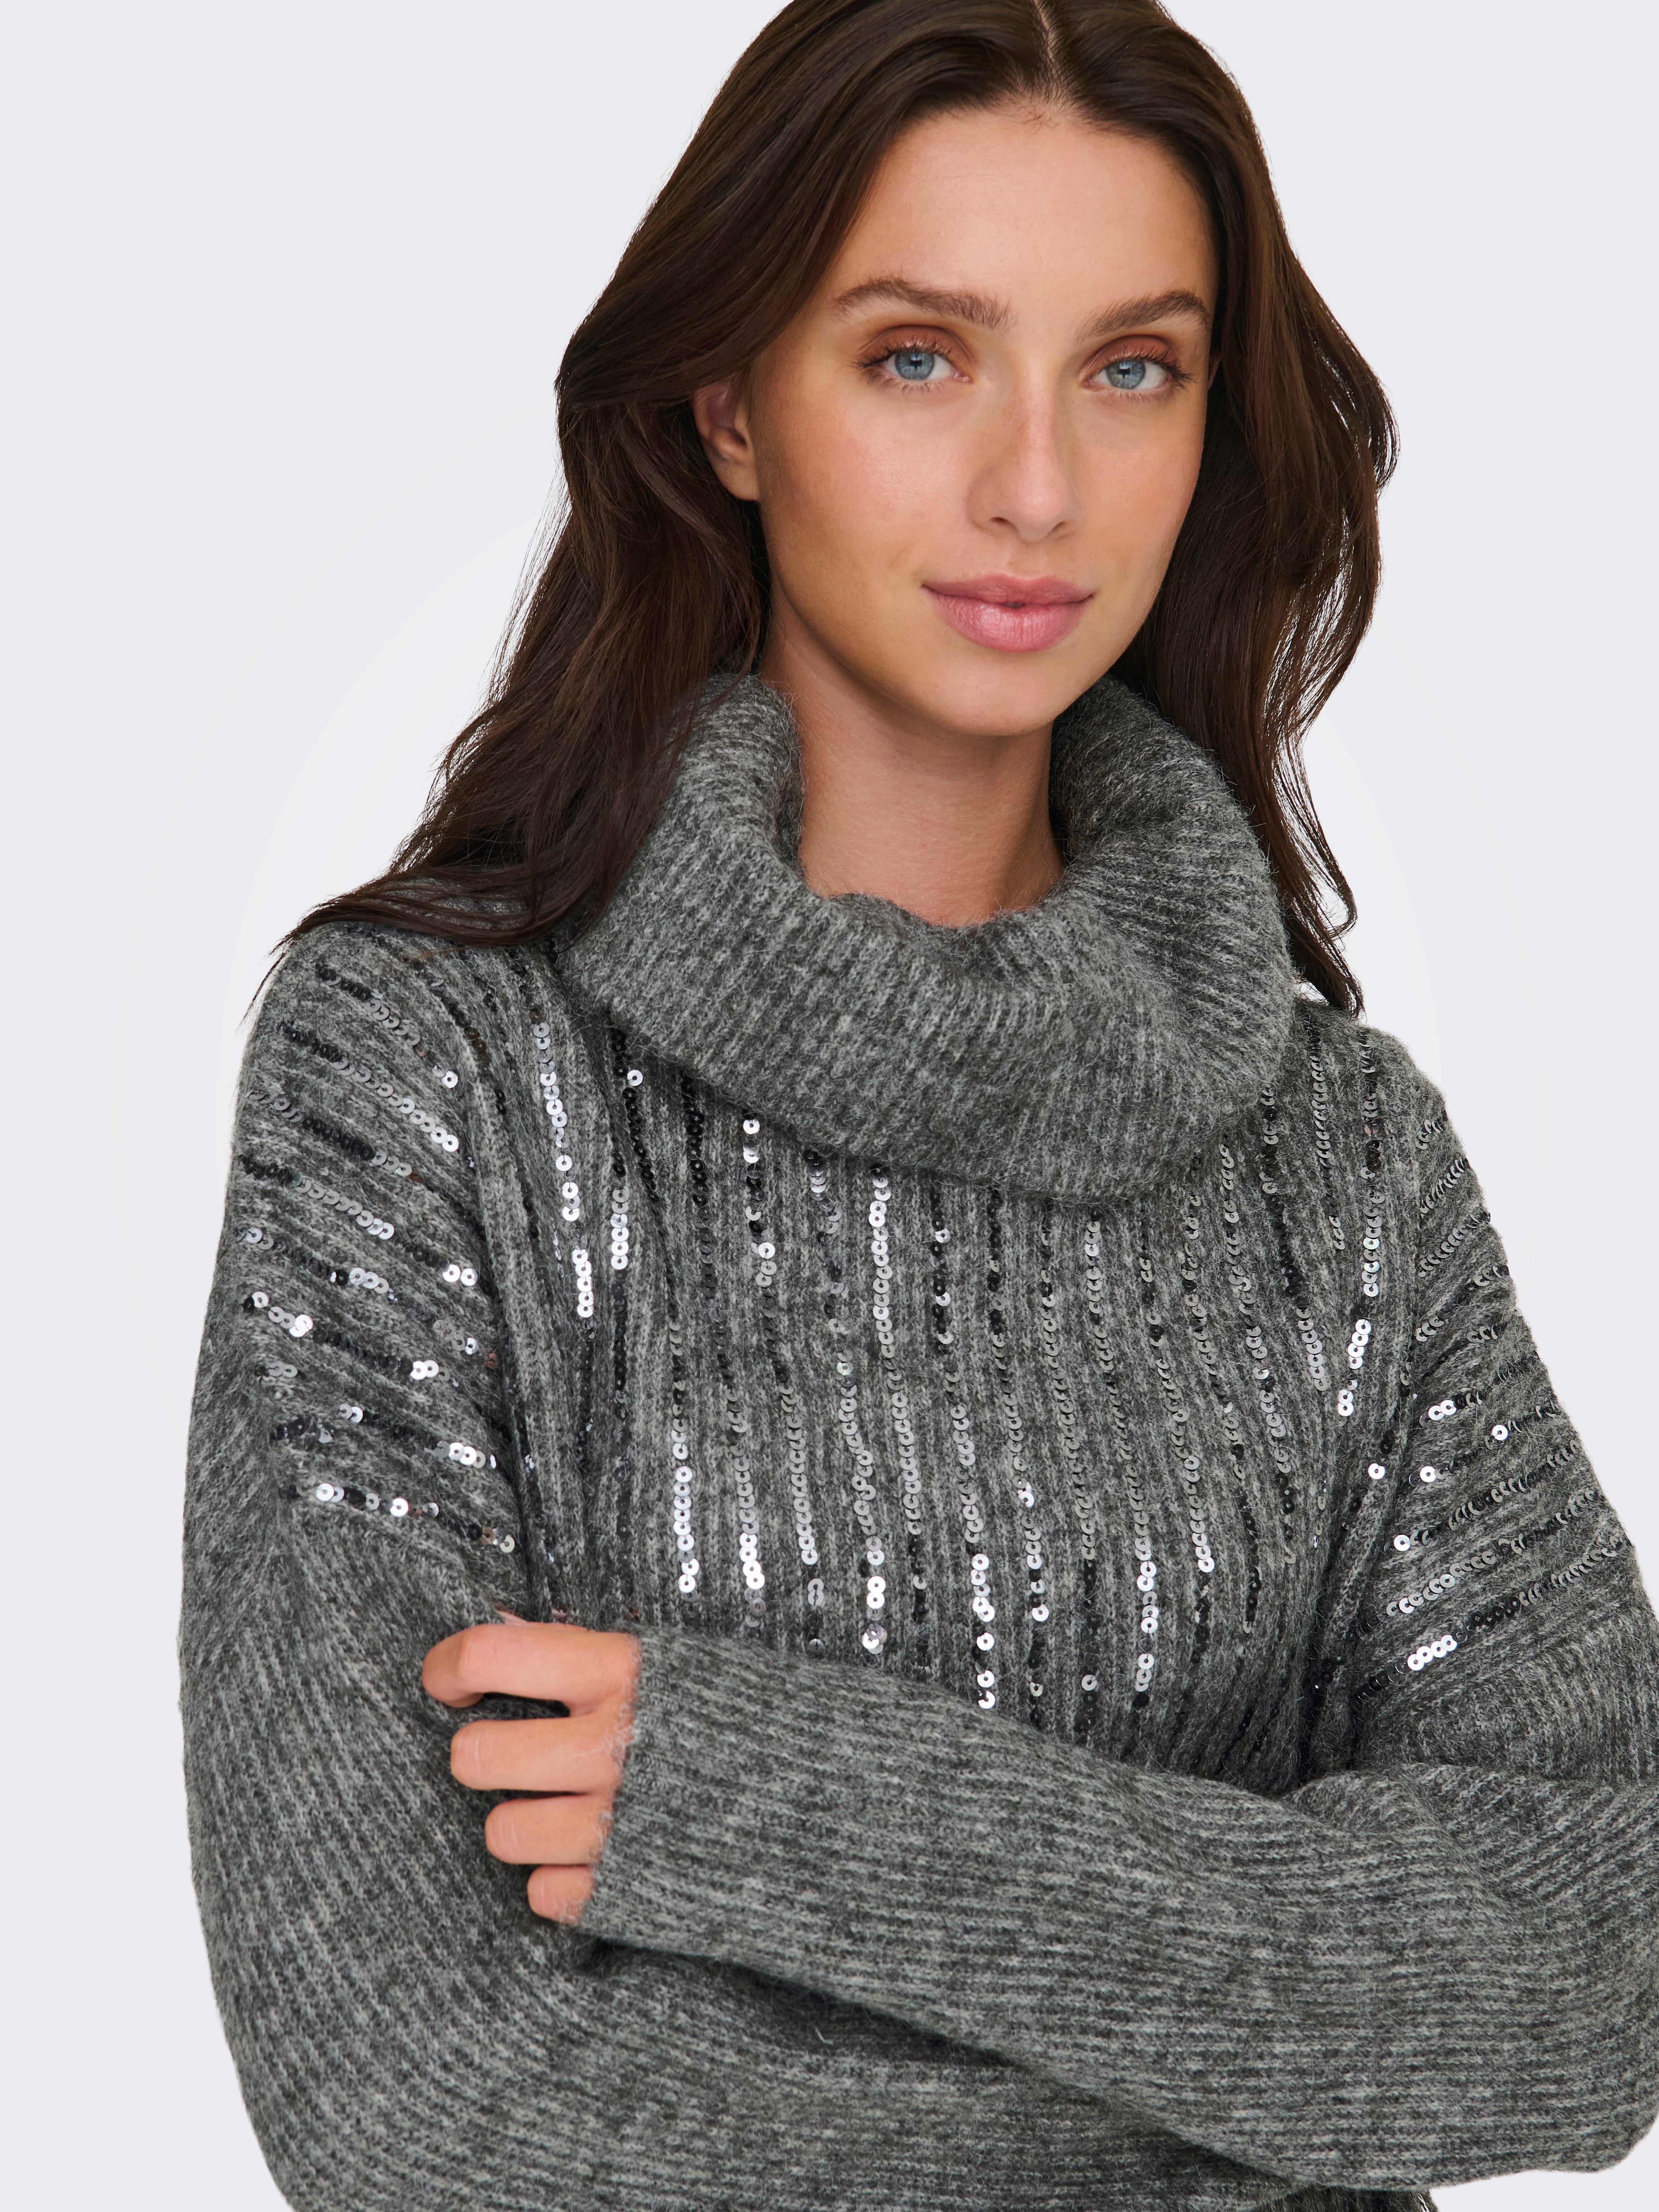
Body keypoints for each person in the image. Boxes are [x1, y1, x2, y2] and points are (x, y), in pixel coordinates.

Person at [179, 3, 1659, 2207]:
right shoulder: (423, 1070)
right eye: (915, 356)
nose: (1035, 487)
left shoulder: (1335, 1153)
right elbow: (418, 2107)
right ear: (727, 406)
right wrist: (1292, 2074)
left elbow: (1593, 1970)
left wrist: (786, 1811)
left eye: (1129, 369)